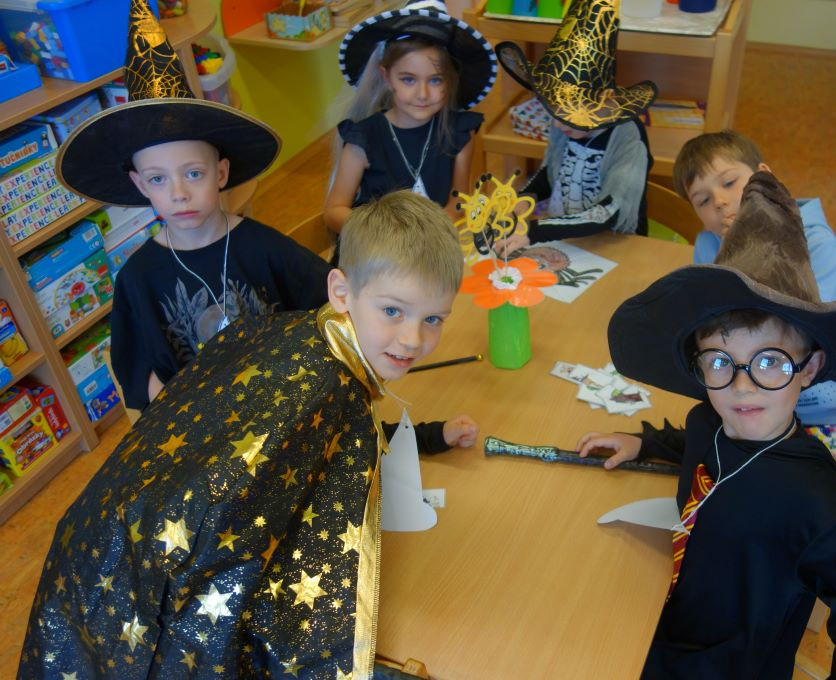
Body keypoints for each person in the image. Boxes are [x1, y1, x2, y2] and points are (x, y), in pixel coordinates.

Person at [18, 189, 479, 680]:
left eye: (433, 319)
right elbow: (231, 547)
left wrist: (428, 437)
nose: (413, 338)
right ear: (342, 292)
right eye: (393, 311)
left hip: (115, 535)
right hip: (122, 575)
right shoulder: (322, 386)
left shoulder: (304, 334)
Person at [576, 172, 836, 679]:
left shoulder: (813, 499)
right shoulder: (708, 419)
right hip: (665, 616)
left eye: (770, 362)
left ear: (810, 368)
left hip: (730, 664)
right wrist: (645, 441)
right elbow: (696, 441)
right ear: (697, 365)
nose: (741, 387)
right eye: (719, 361)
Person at [56, 0, 331, 412]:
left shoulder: (263, 247)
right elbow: (144, 379)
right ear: (140, 185)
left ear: (221, 173)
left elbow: (328, 304)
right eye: (158, 179)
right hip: (202, 422)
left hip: (284, 404)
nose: (179, 193)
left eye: (194, 173)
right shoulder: (138, 279)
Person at [672, 130, 836, 473]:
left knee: (777, 486)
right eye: (703, 200)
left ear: (764, 176)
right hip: (745, 396)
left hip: (820, 410)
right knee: (710, 465)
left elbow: (806, 325)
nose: (719, 202)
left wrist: (745, 249)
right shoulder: (708, 245)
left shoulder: (818, 244)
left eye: (729, 182)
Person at [324, 0, 497, 261]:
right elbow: (334, 212)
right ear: (386, 76)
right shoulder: (364, 139)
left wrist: (431, 235)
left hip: (432, 251)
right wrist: (390, 237)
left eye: (435, 80)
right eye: (408, 79)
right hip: (375, 256)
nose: (422, 94)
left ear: (450, 80)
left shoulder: (459, 133)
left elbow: (459, 200)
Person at [491, 0, 656, 255]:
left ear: (605, 99)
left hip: (613, 246)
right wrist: (523, 198)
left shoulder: (627, 137)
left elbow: (609, 212)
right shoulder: (564, 123)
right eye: (554, 112)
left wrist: (535, 232)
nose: (557, 124)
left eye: (568, 115)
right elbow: (550, 172)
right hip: (565, 240)